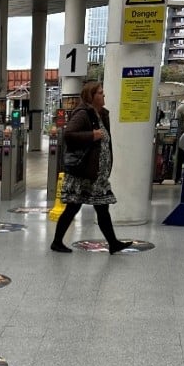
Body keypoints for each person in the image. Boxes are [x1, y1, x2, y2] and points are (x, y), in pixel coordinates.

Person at [50, 80, 131, 255]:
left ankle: (113, 243)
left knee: (102, 208)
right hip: (84, 173)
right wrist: (91, 135)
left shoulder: (100, 114)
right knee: (73, 207)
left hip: (96, 175)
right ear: (91, 96)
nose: (104, 96)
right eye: (100, 93)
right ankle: (57, 242)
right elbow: (69, 135)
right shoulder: (83, 114)